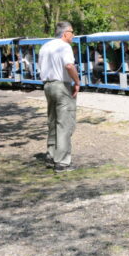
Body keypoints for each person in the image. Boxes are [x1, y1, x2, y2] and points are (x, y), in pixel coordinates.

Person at [39, 22, 80, 172]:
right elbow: (69, 66)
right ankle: (62, 162)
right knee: (64, 123)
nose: (73, 35)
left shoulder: (45, 47)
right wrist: (77, 81)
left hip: (48, 85)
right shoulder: (65, 47)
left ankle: (51, 155)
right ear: (65, 33)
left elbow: (40, 67)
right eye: (72, 32)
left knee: (52, 120)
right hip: (61, 85)